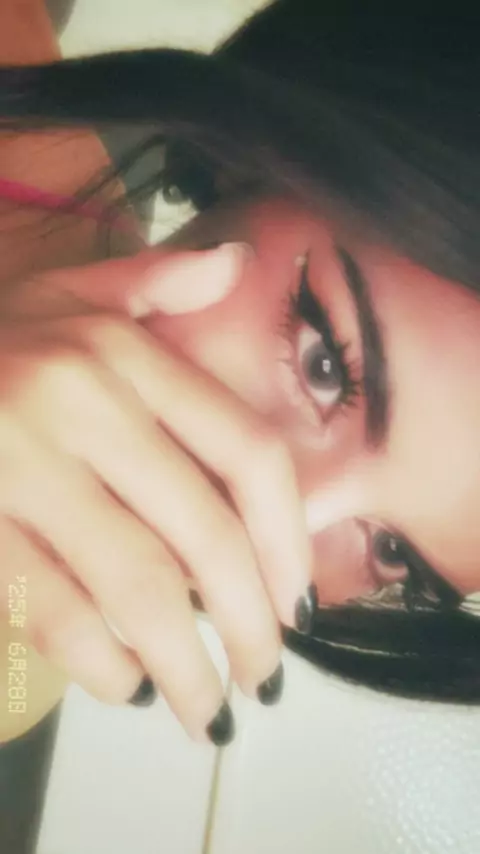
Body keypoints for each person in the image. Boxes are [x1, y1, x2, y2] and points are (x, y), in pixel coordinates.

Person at [1, 0, 480, 753]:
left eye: (394, 555)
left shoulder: (23, 667)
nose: (284, 513)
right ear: (256, 158)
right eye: (324, 365)